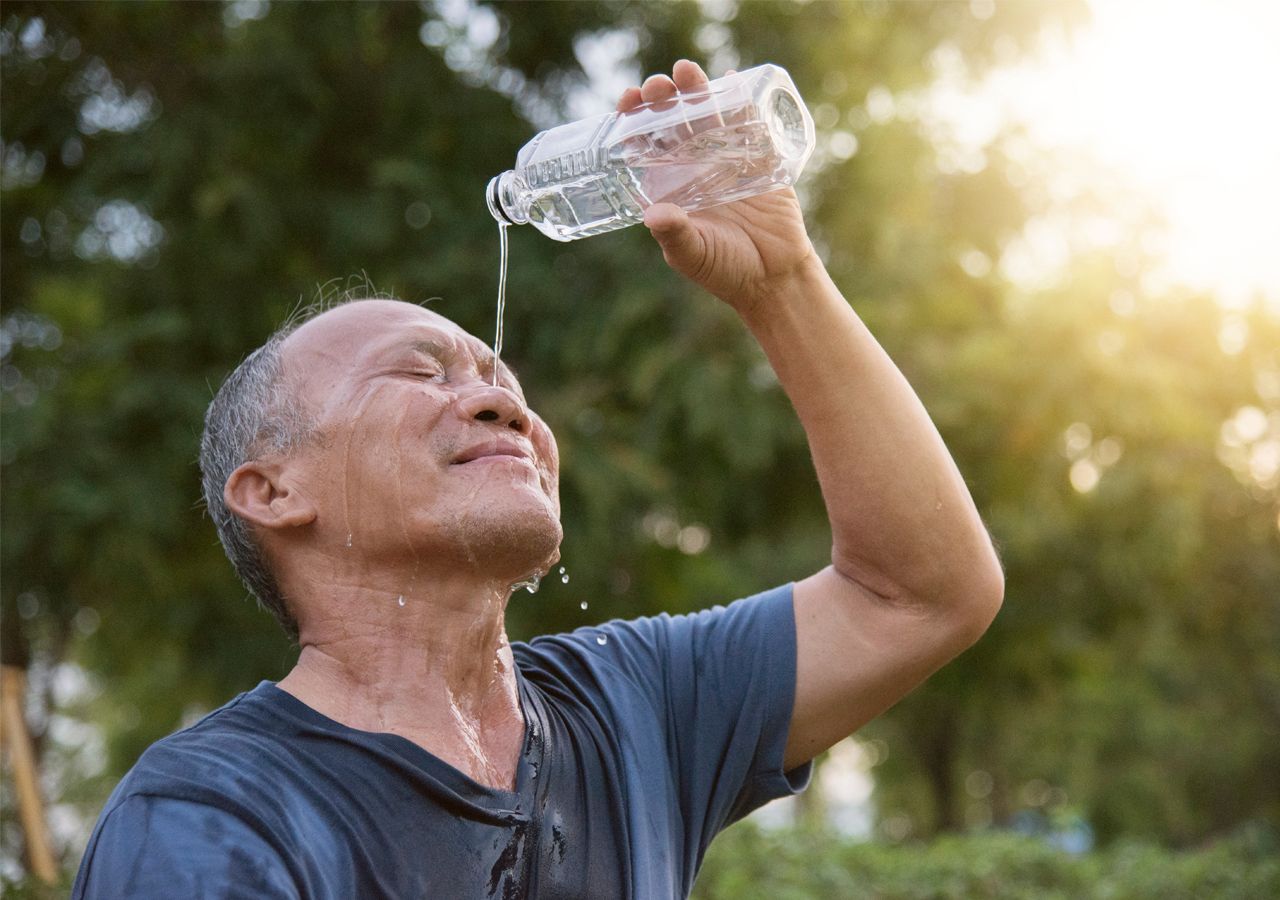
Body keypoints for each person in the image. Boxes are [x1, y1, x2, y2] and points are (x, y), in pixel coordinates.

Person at [72, 60, 1002, 899]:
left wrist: (784, 281)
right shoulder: (210, 818)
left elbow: (919, 594)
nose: (499, 403)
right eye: (420, 372)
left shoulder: (634, 707)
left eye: (502, 382)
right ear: (275, 492)